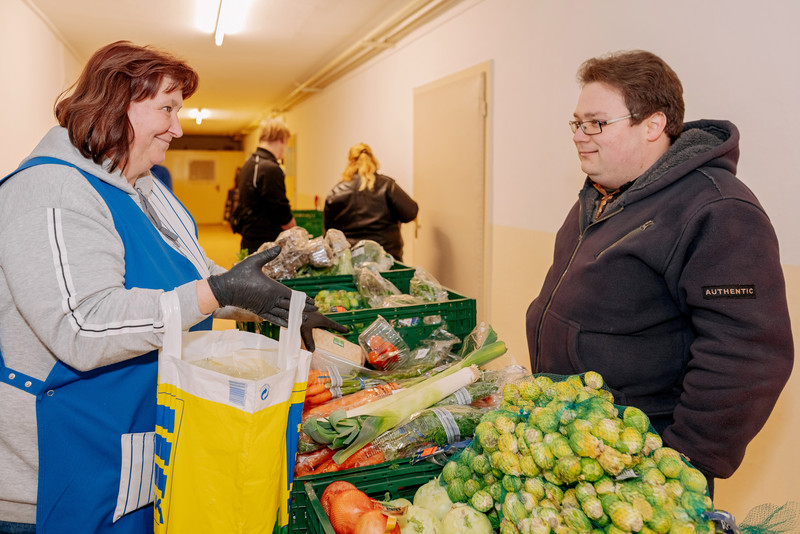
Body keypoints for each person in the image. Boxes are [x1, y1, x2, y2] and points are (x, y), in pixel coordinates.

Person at [0, 41, 344, 534]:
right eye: (167, 108)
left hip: (128, 438)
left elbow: (193, 276)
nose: (178, 128)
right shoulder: (51, 192)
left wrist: (255, 300)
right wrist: (218, 292)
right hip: (55, 468)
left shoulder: (144, 187)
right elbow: (82, 326)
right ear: (117, 105)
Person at [526, 50, 793, 495]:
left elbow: (747, 356)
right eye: (577, 123)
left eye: (596, 123)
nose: (580, 136)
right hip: (576, 449)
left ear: (652, 125)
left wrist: (680, 464)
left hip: (642, 470)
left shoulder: (717, 209)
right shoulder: (602, 195)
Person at [323, 143, 418, 261]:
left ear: (350, 162)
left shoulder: (336, 192)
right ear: (372, 159)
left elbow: (329, 232)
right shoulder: (387, 186)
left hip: (350, 260)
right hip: (386, 259)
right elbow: (411, 212)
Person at [236, 118, 296, 253]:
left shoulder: (249, 164)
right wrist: (295, 233)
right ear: (282, 140)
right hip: (265, 245)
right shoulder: (271, 168)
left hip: (249, 239)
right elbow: (281, 210)